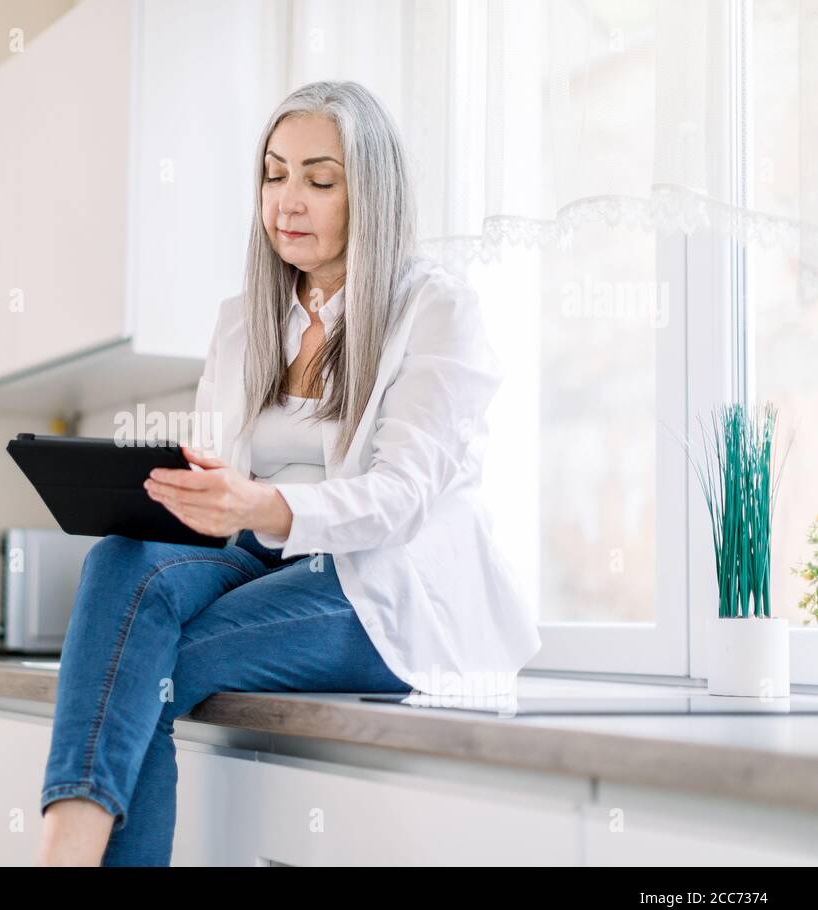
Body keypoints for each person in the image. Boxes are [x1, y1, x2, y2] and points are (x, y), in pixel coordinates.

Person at [36, 80, 539, 866]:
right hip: (255, 561)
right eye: (274, 174)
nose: (288, 201)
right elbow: (224, 472)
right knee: (119, 559)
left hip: (376, 588)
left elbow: (400, 500)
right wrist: (187, 488)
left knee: (149, 667)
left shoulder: (435, 310)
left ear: (369, 192)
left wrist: (261, 502)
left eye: (319, 179)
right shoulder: (245, 318)